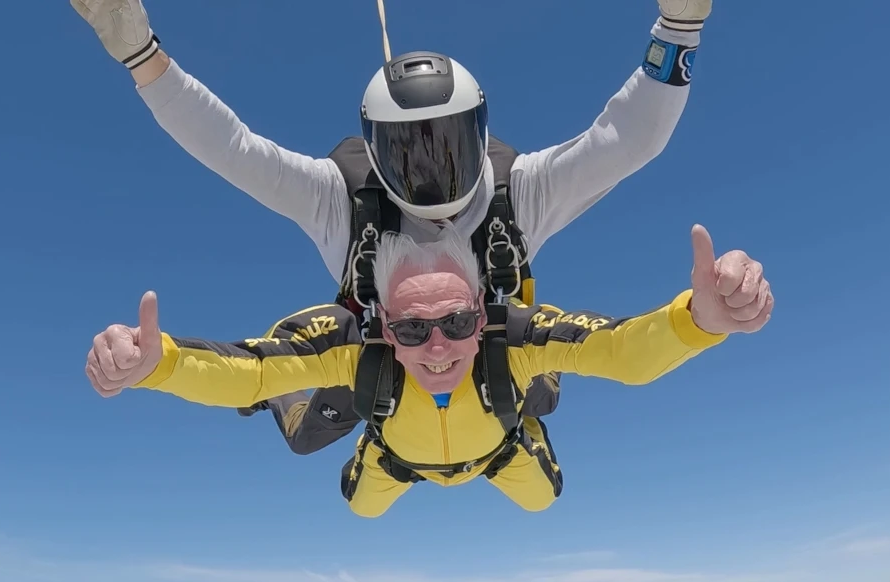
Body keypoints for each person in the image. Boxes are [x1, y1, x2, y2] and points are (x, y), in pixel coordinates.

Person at [70, 0, 709, 448]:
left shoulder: (516, 191)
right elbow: (232, 148)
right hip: (378, 350)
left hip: (483, 344)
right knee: (311, 427)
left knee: (536, 396)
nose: (431, 174)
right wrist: (141, 55)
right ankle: (288, 399)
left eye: (448, 147)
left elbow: (626, 140)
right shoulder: (342, 198)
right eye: (409, 154)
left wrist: (679, 27)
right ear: (375, 154)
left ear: (480, 135)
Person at [85, 225, 773, 517]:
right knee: (357, 504)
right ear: (383, 324)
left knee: (543, 499)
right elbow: (251, 373)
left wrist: (699, 320)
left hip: (500, 448)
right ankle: (368, 427)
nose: (438, 347)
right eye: (412, 329)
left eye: (458, 323)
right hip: (394, 455)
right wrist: (159, 363)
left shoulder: (514, 337)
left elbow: (622, 353)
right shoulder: (357, 348)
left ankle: (529, 416)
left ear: (483, 309)